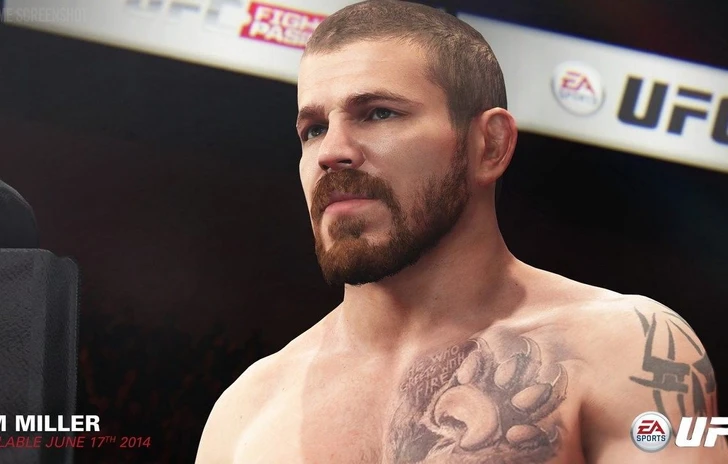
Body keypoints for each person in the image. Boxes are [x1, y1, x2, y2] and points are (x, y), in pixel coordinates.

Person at [196, 1, 726, 462]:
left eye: (378, 113)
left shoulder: (629, 348)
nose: (331, 151)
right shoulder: (245, 412)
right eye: (314, 129)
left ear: (489, 145)